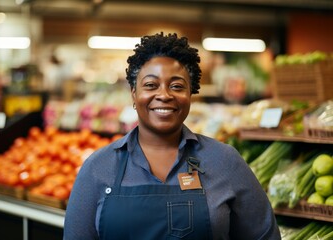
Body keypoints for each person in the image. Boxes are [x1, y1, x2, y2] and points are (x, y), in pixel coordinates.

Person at [64, 32, 281, 239]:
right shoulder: (98, 167)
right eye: (150, 85)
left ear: (190, 95)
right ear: (134, 93)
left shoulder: (224, 161)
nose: (164, 95)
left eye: (177, 86)